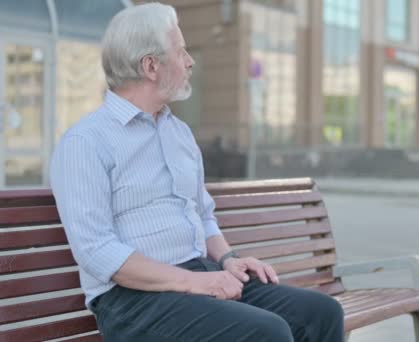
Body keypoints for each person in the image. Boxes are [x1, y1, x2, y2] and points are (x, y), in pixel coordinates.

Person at [50, 3, 344, 341]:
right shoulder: (85, 142)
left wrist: (229, 259)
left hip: (197, 274)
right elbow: (97, 251)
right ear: (151, 66)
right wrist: (194, 282)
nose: (190, 61)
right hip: (132, 300)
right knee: (268, 332)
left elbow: (202, 215)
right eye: (181, 51)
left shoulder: (178, 133)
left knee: (321, 313)